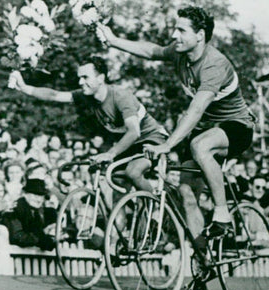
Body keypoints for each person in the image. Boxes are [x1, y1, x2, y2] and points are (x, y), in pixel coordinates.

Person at [98, 6, 256, 290]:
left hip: (235, 127)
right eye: (175, 28)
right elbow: (151, 51)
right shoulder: (181, 53)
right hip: (204, 129)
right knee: (186, 194)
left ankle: (222, 215)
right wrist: (113, 39)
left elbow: (196, 110)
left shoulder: (213, 64)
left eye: (181, 30)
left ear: (200, 35)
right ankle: (205, 263)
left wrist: (168, 144)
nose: (174, 34)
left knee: (199, 145)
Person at [8, 56, 167, 193]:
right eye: (79, 77)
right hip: (127, 144)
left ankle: (155, 206)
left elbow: (134, 132)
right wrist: (25, 87)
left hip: (150, 139)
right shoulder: (87, 96)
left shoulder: (120, 96)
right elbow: (55, 95)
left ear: (101, 78)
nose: (80, 82)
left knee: (133, 172)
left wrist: (110, 154)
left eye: (85, 77)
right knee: (108, 188)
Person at [0, 179, 58, 251]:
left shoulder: (41, 212)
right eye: (35, 195)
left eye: (41, 196)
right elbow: (18, 237)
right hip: (16, 256)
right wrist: (43, 234)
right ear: (24, 194)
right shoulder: (14, 210)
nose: (38, 200)